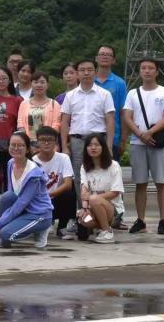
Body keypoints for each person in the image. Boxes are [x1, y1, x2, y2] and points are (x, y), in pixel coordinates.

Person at [122, 58, 164, 235]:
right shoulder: (133, 93)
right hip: (137, 143)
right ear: (139, 71)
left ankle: (163, 220)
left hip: (157, 142)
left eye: (150, 68)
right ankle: (141, 220)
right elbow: (127, 117)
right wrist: (140, 134)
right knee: (140, 183)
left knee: (161, 182)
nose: (147, 71)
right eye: (143, 68)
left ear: (157, 71)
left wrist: (150, 132)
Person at [59, 59, 115, 219]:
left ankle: (101, 215)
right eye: (82, 70)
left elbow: (110, 120)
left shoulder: (104, 94)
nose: (86, 73)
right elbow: (65, 122)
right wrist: (65, 146)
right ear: (77, 73)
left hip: (98, 141)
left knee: (100, 176)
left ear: (95, 72)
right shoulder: (70, 96)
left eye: (90, 70)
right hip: (77, 141)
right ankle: (82, 215)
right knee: (78, 179)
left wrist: (109, 146)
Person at [0, 131, 52, 249]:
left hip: (39, 214)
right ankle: (5, 237)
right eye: (13, 145)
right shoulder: (10, 163)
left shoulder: (34, 173)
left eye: (20, 145)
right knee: (7, 196)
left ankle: (41, 229)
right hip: (23, 209)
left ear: (27, 149)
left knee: (5, 233)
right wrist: (0, 211)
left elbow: (21, 203)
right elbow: (12, 194)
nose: (16, 148)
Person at [78, 132, 124, 244]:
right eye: (90, 145)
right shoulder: (84, 167)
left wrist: (94, 198)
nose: (93, 148)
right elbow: (84, 190)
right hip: (92, 207)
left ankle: (107, 231)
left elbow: (115, 192)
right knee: (83, 219)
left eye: (97, 145)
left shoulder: (113, 166)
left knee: (94, 199)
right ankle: (100, 227)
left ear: (103, 147)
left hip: (114, 211)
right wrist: (84, 208)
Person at [33, 126, 76, 239]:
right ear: (37, 141)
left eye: (50, 140)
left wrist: (50, 195)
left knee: (69, 193)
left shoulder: (63, 158)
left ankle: (62, 227)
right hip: (39, 202)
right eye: (43, 140)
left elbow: (68, 184)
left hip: (56, 199)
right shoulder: (32, 161)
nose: (46, 143)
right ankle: (43, 224)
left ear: (56, 141)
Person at [95, 45, 129, 160]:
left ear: (113, 60)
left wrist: (123, 139)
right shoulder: (89, 80)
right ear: (96, 58)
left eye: (108, 55)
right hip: (90, 137)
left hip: (113, 137)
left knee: (111, 169)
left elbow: (123, 113)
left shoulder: (119, 83)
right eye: (102, 54)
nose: (105, 57)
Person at [18, 71, 63, 136]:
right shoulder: (24, 104)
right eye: (35, 82)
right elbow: (20, 124)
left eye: (42, 82)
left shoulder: (55, 104)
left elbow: (56, 125)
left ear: (48, 85)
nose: (39, 85)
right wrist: (25, 139)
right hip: (27, 141)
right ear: (31, 84)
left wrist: (45, 139)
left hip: (48, 141)